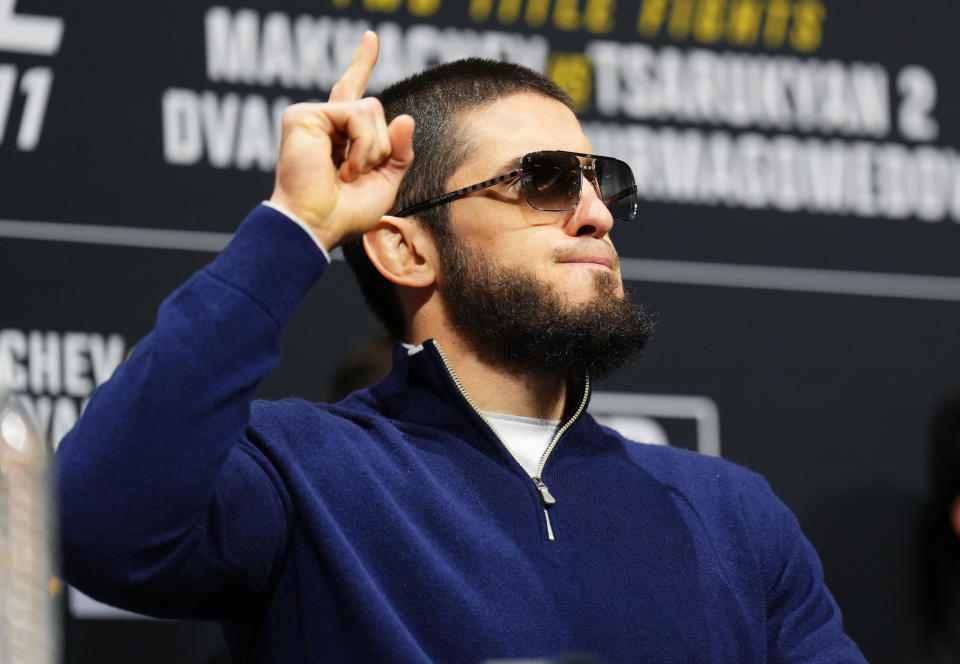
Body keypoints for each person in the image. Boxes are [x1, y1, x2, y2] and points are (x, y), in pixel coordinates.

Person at [56, 32, 865, 663]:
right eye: (546, 180)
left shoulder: (733, 514)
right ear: (405, 250)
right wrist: (293, 230)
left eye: (601, 181)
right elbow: (97, 523)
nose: (596, 214)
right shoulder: (298, 473)